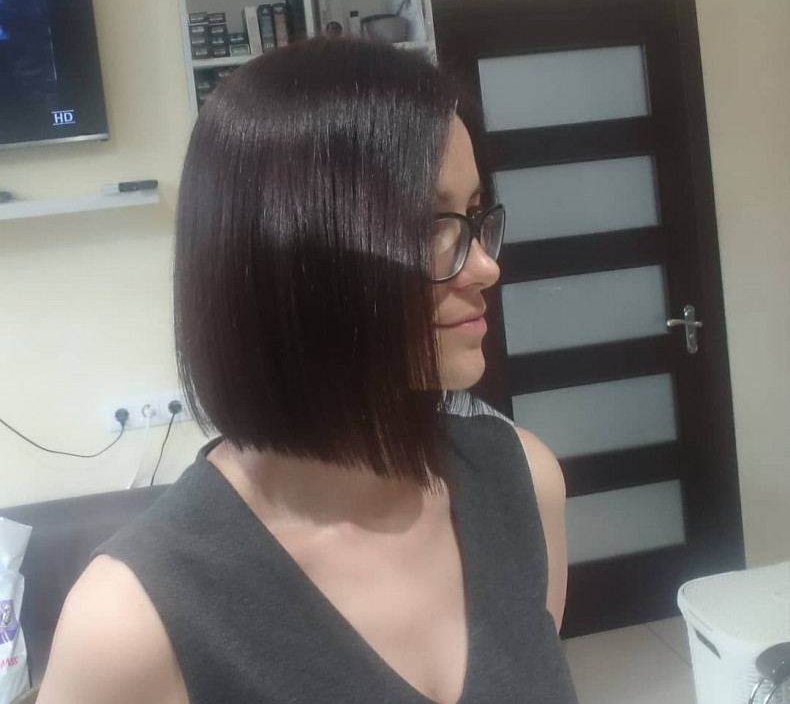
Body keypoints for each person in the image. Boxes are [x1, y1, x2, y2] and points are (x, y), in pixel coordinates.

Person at [37, 38, 577, 703]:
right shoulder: (129, 624)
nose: (485, 266)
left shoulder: (522, 482)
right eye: (422, 226)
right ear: (289, 261)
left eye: (471, 216)